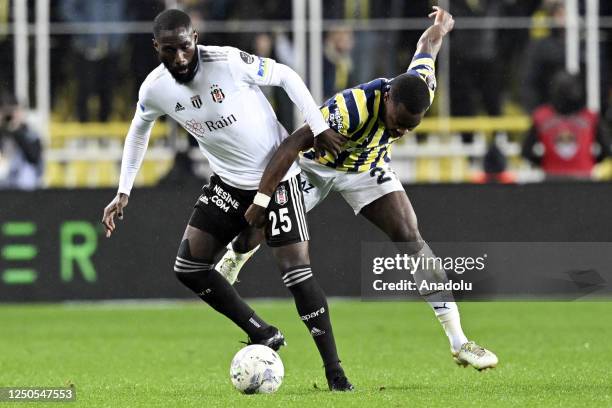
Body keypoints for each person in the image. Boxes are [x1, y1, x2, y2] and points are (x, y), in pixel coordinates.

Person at [216, 6, 498, 370]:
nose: (400, 132)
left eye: (410, 128)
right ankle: (235, 259)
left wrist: (441, 27)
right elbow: (290, 146)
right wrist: (263, 197)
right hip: (315, 168)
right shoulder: (348, 109)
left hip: (367, 168)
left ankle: (459, 341)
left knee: (411, 236)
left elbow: (426, 47)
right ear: (388, 100)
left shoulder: (421, 84)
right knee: (253, 232)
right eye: (397, 124)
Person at [101, 9, 353, 391]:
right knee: (188, 267)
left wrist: (317, 126)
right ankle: (262, 332)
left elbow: (285, 75)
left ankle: (335, 373)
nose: (180, 58)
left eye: (185, 47)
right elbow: (139, 131)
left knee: (297, 274)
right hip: (228, 185)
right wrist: (124, 190)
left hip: (278, 178)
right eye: (170, 51)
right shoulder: (155, 88)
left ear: (195, 38)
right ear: (157, 48)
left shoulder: (228, 62)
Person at [522, 71, 611, 179]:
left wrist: (543, 162)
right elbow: (607, 150)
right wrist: (591, 160)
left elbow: (526, 152)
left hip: (552, 177)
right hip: (583, 178)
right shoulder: (590, 117)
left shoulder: (541, 116)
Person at [0, 92, 43, 190]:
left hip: (24, 186)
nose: (9, 116)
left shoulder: (29, 133)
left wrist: (16, 131)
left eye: (12, 111)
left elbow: (34, 158)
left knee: (27, 172)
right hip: (3, 183)